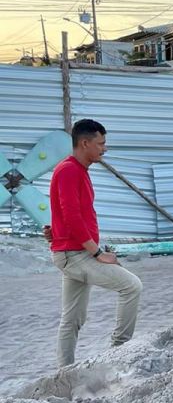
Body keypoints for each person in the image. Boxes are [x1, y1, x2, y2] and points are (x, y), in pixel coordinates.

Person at [49, 118, 143, 367]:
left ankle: (64, 372)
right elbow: (71, 216)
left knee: (72, 319)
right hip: (75, 255)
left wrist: (54, 231)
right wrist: (98, 253)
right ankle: (119, 352)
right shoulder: (69, 170)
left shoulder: (77, 170)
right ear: (85, 143)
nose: (105, 148)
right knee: (131, 286)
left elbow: (63, 211)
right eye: (101, 143)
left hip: (72, 251)